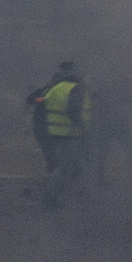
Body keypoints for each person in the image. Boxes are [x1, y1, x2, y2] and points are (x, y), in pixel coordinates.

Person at [41, 63, 89, 206]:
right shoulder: (75, 89)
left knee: (73, 164)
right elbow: (73, 111)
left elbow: (44, 105)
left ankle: (80, 194)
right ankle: (50, 197)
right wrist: (84, 130)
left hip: (55, 132)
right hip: (70, 133)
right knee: (64, 167)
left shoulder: (56, 88)